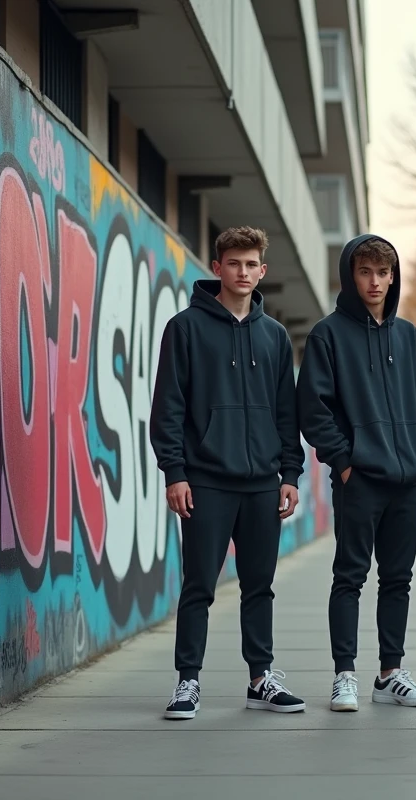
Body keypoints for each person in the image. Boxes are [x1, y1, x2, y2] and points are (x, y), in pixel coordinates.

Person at [150, 226, 306, 719]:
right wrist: (175, 472)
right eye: (233, 263)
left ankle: (260, 679)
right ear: (216, 268)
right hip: (205, 481)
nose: (242, 272)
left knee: (259, 584)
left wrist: (290, 474)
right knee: (199, 583)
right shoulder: (185, 328)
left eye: (251, 264)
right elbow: (168, 407)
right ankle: (187, 682)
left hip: (262, 482)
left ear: (262, 270)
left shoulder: (275, 336)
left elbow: (287, 413)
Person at [297, 233, 416, 712]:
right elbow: (314, 409)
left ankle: (390, 673)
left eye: (384, 273)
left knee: (397, 579)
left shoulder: (407, 336)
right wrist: (343, 463)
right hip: (359, 480)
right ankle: (345, 675)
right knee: (350, 577)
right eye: (366, 272)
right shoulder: (328, 334)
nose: (376, 282)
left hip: (404, 482)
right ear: (350, 276)